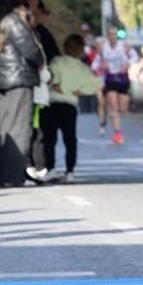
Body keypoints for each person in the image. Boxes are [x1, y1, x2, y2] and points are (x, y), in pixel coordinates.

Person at [0, 0, 45, 188]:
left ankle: (4, 174)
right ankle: (14, 175)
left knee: (6, 127)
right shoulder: (15, 21)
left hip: (4, 79)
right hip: (19, 79)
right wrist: (40, 58)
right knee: (20, 127)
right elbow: (30, 50)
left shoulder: (2, 20)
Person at [37, 33, 102, 182]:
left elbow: (53, 79)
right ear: (81, 50)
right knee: (70, 139)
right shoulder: (83, 68)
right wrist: (80, 91)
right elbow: (96, 84)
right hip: (70, 105)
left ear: (65, 47)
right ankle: (70, 171)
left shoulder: (57, 61)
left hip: (53, 103)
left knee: (50, 139)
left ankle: (51, 168)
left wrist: (58, 86)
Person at [100, 31, 133, 144]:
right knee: (113, 106)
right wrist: (101, 65)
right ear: (108, 36)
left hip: (122, 78)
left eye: (114, 34)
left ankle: (116, 118)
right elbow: (97, 61)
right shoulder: (103, 47)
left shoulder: (123, 45)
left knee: (122, 109)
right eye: (110, 34)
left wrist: (127, 63)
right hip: (110, 78)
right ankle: (117, 133)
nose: (112, 36)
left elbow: (134, 57)